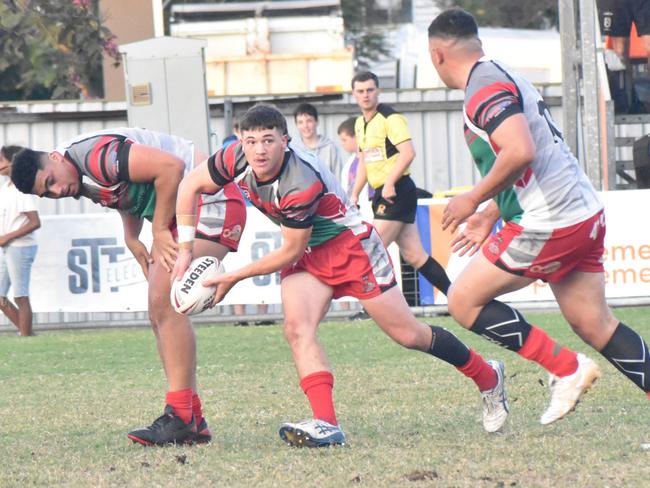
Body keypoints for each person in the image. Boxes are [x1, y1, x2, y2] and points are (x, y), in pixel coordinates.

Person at [172, 103, 510, 447]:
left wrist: (233, 277)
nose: (260, 150)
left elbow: (289, 249)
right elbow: (189, 186)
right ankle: (326, 424)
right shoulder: (234, 158)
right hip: (309, 251)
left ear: (286, 142)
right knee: (296, 328)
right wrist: (186, 249)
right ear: (241, 142)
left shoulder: (298, 181)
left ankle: (487, 375)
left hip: (350, 248)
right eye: (252, 141)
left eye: (269, 140)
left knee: (409, 335)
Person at [427, 8, 650, 424]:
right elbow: (532, 160)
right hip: (581, 212)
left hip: (552, 220)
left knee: (463, 300)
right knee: (595, 324)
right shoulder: (499, 73)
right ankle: (572, 368)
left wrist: (472, 199)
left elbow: (520, 151)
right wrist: (492, 210)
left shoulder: (482, 89)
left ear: (437, 55)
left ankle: (567, 369)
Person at [10, 128, 247, 445]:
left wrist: (159, 229)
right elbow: (124, 194)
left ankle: (180, 417)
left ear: (54, 157)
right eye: (47, 193)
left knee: (166, 302)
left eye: (51, 181)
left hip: (211, 199)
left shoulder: (95, 156)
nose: (58, 190)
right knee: (156, 310)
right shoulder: (75, 176)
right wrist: (131, 236)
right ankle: (191, 417)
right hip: (186, 212)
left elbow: (170, 168)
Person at [350, 71, 453, 300]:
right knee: (415, 255)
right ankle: (455, 295)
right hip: (383, 192)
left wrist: (389, 183)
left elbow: (408, 153)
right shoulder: (360, 124)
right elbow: (364, 162)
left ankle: (372, 308)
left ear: (378, 91)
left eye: (370, 90)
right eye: (360, 91)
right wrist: (354, 194)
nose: (365, 95)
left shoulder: (390, 118)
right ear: (354, 94)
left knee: (372, 250)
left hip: (396, 191)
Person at [0, 145, 40, 337]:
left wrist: (7, 236)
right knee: (1, 296)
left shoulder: (21, 189)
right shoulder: (5, 188)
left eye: (1, 161)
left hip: (21, 247)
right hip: (8, 248)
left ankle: (25, 336)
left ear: (12, 162)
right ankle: (27, 333)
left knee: (20, 295)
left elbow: (34, 222)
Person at [292, 102, 343, 178]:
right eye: (300, 122)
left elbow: (338, 175)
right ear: (296, 125)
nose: (305, 126)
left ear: (317, 122)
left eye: (309, 121)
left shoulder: (330, 147)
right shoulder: (293, 149)